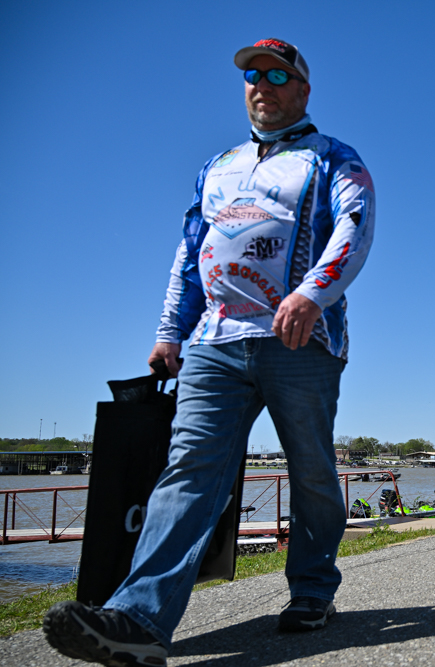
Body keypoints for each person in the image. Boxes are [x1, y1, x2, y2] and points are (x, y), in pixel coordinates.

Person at [44, 38, 375, 665]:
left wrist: (313, 293)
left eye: (278, 75)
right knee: (189, 469)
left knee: (310, 470)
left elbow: (354, 226)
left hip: (299, 339)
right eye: (253, 75)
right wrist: (170, 330)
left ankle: (312, 590)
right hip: (214, 343)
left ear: (303, 90)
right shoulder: (217, 166)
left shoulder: (333, 157)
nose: (263, 84)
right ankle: (138, 623)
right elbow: (190, 251)